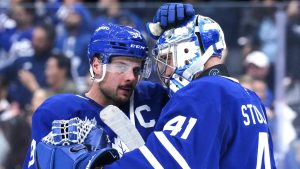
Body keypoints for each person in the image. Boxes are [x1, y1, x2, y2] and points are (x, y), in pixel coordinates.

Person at [104, 5, 277, 169]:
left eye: (168, 59)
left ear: (188, 51)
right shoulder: (250, 97)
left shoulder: (203, 92)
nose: (167, 70)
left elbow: (167, 163)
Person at [22, 23, 169, 169]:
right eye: (121, 67)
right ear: (96, 65)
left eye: (136, 70)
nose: (131, 77)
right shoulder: (60, 111)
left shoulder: (152, 97)